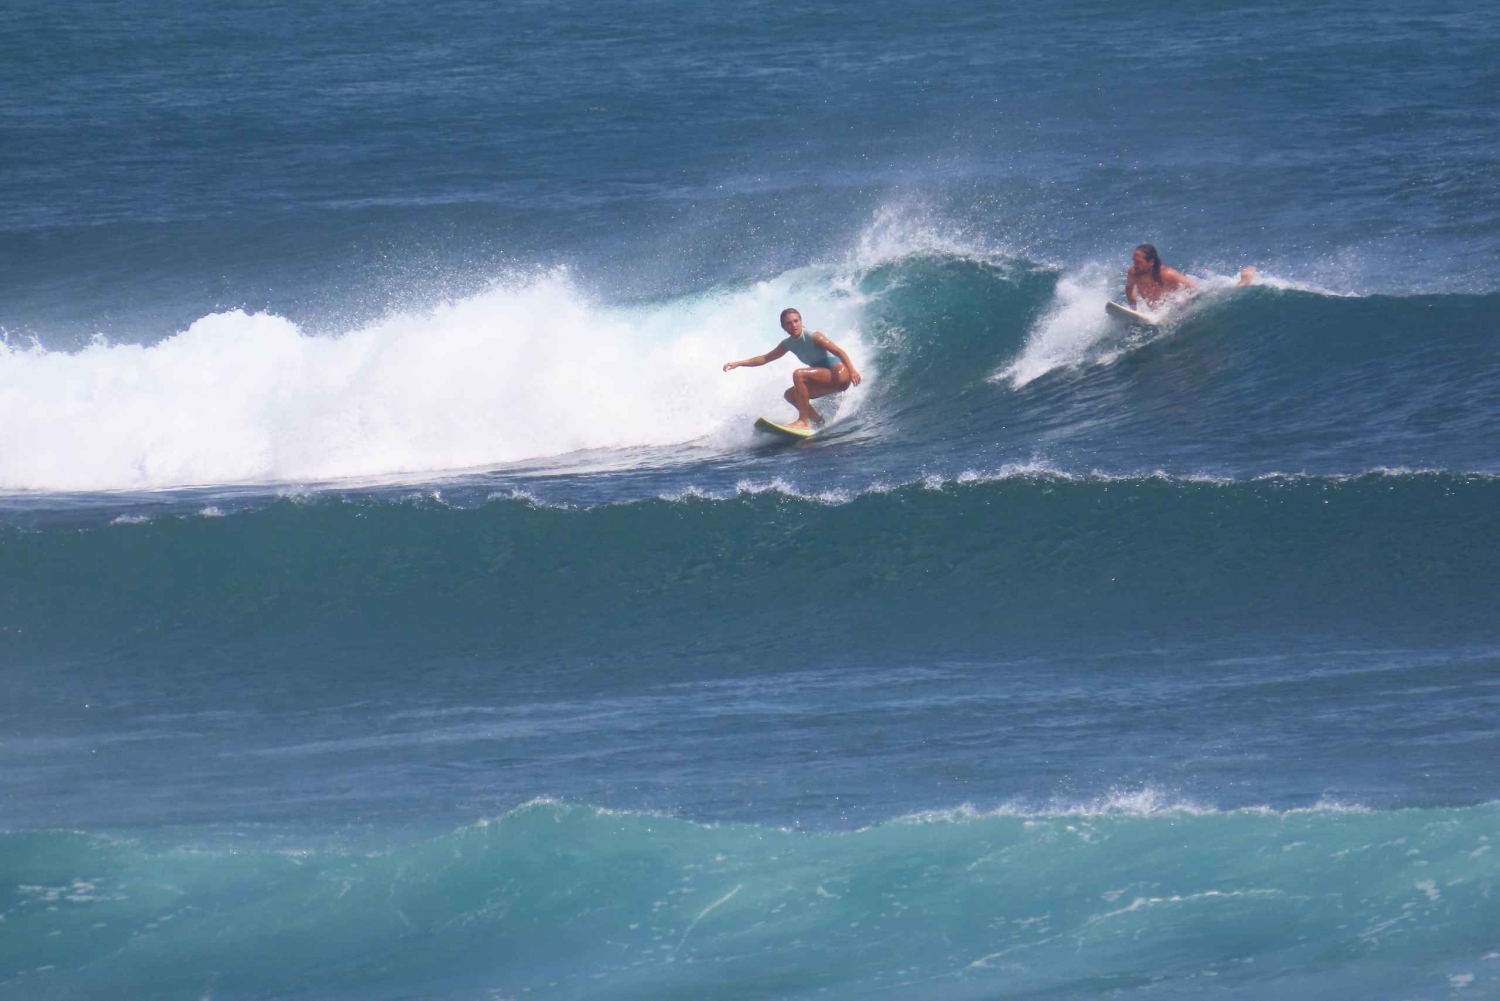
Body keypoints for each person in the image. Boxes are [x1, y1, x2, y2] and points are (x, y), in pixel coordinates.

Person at [723, 308, 861, 429]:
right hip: (827, 380)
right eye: (789, 323)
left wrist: (853, 370)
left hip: (839, 374)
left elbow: (840, 352)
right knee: (790, 395)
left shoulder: (814, 336)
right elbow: (765, 358)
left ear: (801, 321)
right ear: (783, 327)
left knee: (799, 374)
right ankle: (818, 421)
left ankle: (803, 421)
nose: (793, 325)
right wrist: (739, 363)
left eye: (796, 321)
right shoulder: (787, 344)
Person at [1125, 244, 1255, 308]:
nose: (1134, 265)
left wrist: (1182, 306)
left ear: (1151, 262)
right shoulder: (1133, 273)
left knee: (1223, 293)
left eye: (1138, 262)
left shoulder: (1169, 274)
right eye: (1134, 261)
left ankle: (1244, 279)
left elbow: (1193, 291)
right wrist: (1133, 308)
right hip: (1160, 309)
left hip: (1186, 300)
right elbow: (1129, 290)